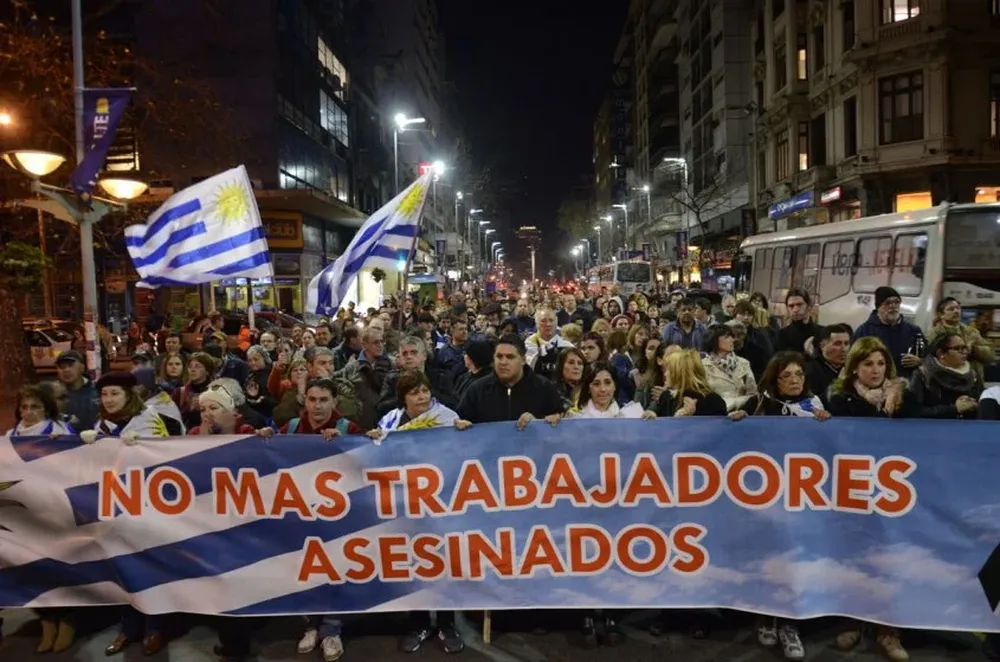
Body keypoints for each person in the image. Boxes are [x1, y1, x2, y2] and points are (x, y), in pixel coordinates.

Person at [456, 334, 564, 427]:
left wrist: (540, 423)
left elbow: (558, 424)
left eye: (510, 357)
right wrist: (460, 424)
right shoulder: (477, 390)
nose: (503, 362)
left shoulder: (543, 387)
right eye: (499, 356)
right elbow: (460, 420)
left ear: (523, 360)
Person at [827, 337, 916, 419]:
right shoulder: (841, 397)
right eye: (868, 364)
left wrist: (897, 398)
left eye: (881, 363)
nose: (876, 370)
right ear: (854, 367)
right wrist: (887, 411)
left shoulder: (903, 395)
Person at [729, 352, 830, 421]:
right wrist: (741, 419)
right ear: (774, 380)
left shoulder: (813, 403)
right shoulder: (758, 403)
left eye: (799, 374)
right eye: (786, 376)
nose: (794, 381)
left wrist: (824, 420)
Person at [909, 330, 984, 419]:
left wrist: (974, 405)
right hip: (933, 429)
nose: (964, 352)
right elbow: (915, 412)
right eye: (958, 349)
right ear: (941, 353)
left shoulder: (973, 375)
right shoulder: (922, 375)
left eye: (964, 348)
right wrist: (954, 409)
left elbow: (982, 404)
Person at [853, 286, 924, 379]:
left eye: (896, 302)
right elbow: (854, 360)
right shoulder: (864, 331)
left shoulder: (913, 330)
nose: (893, 306)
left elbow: (929, 357)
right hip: (874, 385)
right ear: (878, 307)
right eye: (888, 303)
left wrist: (920, 361)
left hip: (905, 385)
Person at [81, 372, 172, 443]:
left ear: (128, 395)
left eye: (114, 394)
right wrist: (91, 444)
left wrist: (141, 443)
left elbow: (162, 453)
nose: (108, 400)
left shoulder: (149, 418)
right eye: (104, 394)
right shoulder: (102, 424)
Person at [927, 297, 996, 380]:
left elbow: (990, 356)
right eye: (951, 309)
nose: (956, 311)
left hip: (972, 380)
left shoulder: (971, 332)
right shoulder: (934, 334)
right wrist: (965, 348)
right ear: (941, 314)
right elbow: (929, 357)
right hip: (946, 379)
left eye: (958, 308)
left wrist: (974, 348)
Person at [648, 349, 727, 417]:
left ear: (680, 373)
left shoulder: (713, 401)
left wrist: (689, 419)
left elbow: (716, 432)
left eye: (669, 369)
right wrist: (652, 418)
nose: (665, 374)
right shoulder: (666, 397)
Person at [569, 361, 656, 420]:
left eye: (607, 383)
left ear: (615, 386)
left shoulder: (632, 415)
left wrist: (649, 421)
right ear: (588, 388)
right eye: (596, 384)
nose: (603, 389)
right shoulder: (574, 417)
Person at [702, 325, 757, 412]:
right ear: (714, 340)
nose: (733, 340)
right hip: (716, 415)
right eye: (727, 337)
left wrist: (737, 403)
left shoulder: (744, 363)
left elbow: (753, 395)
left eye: (732, 336)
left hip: (741, 413)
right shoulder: (703, 366)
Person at [805, 324, 852, 405]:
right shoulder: (810, 370)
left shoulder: (853, 368)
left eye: (846, 343)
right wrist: (838, 384)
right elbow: (813, 403)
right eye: (837, 343)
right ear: (822, 346)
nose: (843, 349)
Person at [525, 307, 574, 381]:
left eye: (551, 320)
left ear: (556, 323)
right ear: (537, 324)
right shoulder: (527, 345)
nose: (548, 324)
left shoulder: (567, 346)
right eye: (543, 321)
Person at [54, 350, 99, 432]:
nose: (66, 370)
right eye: (62, 367)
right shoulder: (52, 394)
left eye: (71, 365)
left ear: (82, 367)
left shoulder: (98, 392)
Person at [8, 384, 72, 437]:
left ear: (46, 410)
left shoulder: (62, 431)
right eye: (24, 407)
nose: (28, 412)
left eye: (34, 407)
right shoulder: (10, 436)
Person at [776, 288, 820, 355]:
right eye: (791, 306)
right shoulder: (782, 335)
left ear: (808, 306)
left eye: (799, 305)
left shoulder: (821, 332)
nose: (795, 310)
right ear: (787, 308)